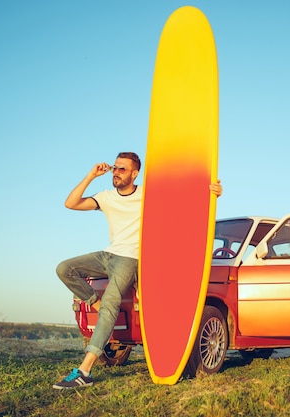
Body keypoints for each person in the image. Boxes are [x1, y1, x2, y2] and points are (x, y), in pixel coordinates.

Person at [52, 151, 222, 389]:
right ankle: (96, 304)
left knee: (111, 302)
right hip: (108, 254)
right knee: (64, 269)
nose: (116, 172)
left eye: (122, 169)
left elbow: (185, 200)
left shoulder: (148, 194)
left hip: (130, 258)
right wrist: (91, 175)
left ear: (134, 173)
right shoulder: (107, 197)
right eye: (114, 168)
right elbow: (71, 203)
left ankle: (85, 371)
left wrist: (211, 192)